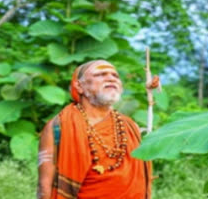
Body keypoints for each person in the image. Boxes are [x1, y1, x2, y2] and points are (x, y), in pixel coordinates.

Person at [37, 60, 159, 199]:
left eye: (115, 75)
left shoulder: (129, 126)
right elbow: (45, 185)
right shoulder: (59, 126)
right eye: (101, 74)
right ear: (79, 86)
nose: (111, 78)